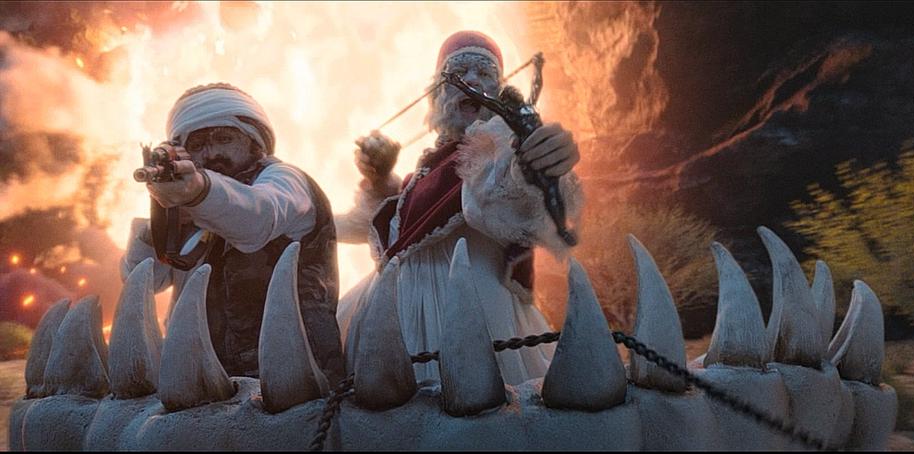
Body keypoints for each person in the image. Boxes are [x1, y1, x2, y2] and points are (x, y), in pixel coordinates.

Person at [335, 31, 584, 386]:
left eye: (485, 74)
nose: (472, 80)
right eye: (459, 72)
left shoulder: (497, 150)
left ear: (499, 92)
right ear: (438, 93)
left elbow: (509, 190)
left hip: (473, 309)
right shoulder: (427, 169)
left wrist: (543, 158)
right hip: (406, 314)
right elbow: (389, 224)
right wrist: (379, 179)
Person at [121, 83, 345, 384]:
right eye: (198, 145)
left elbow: (257, 219)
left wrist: (199, 193)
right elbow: (144, 281)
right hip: (206, 383)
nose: (212, 152)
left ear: (254, 141)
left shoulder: (284, 178)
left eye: (224, 138)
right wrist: (161, 220)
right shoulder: (198, 198)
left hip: (295, 379)